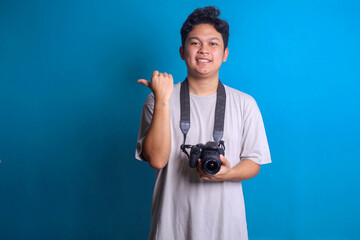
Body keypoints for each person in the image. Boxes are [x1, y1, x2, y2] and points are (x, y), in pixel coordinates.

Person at [135, 6, 271, 240]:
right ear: (182, 51)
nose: (204, 50)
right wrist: (163, 100)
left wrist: (226, 174)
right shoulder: (159, 98)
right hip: (171, 228)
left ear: (225, 53)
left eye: (213, 44)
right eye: (195, 43)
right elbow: (157, 160)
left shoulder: (245, 103)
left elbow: (254, 162)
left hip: (226, 229)